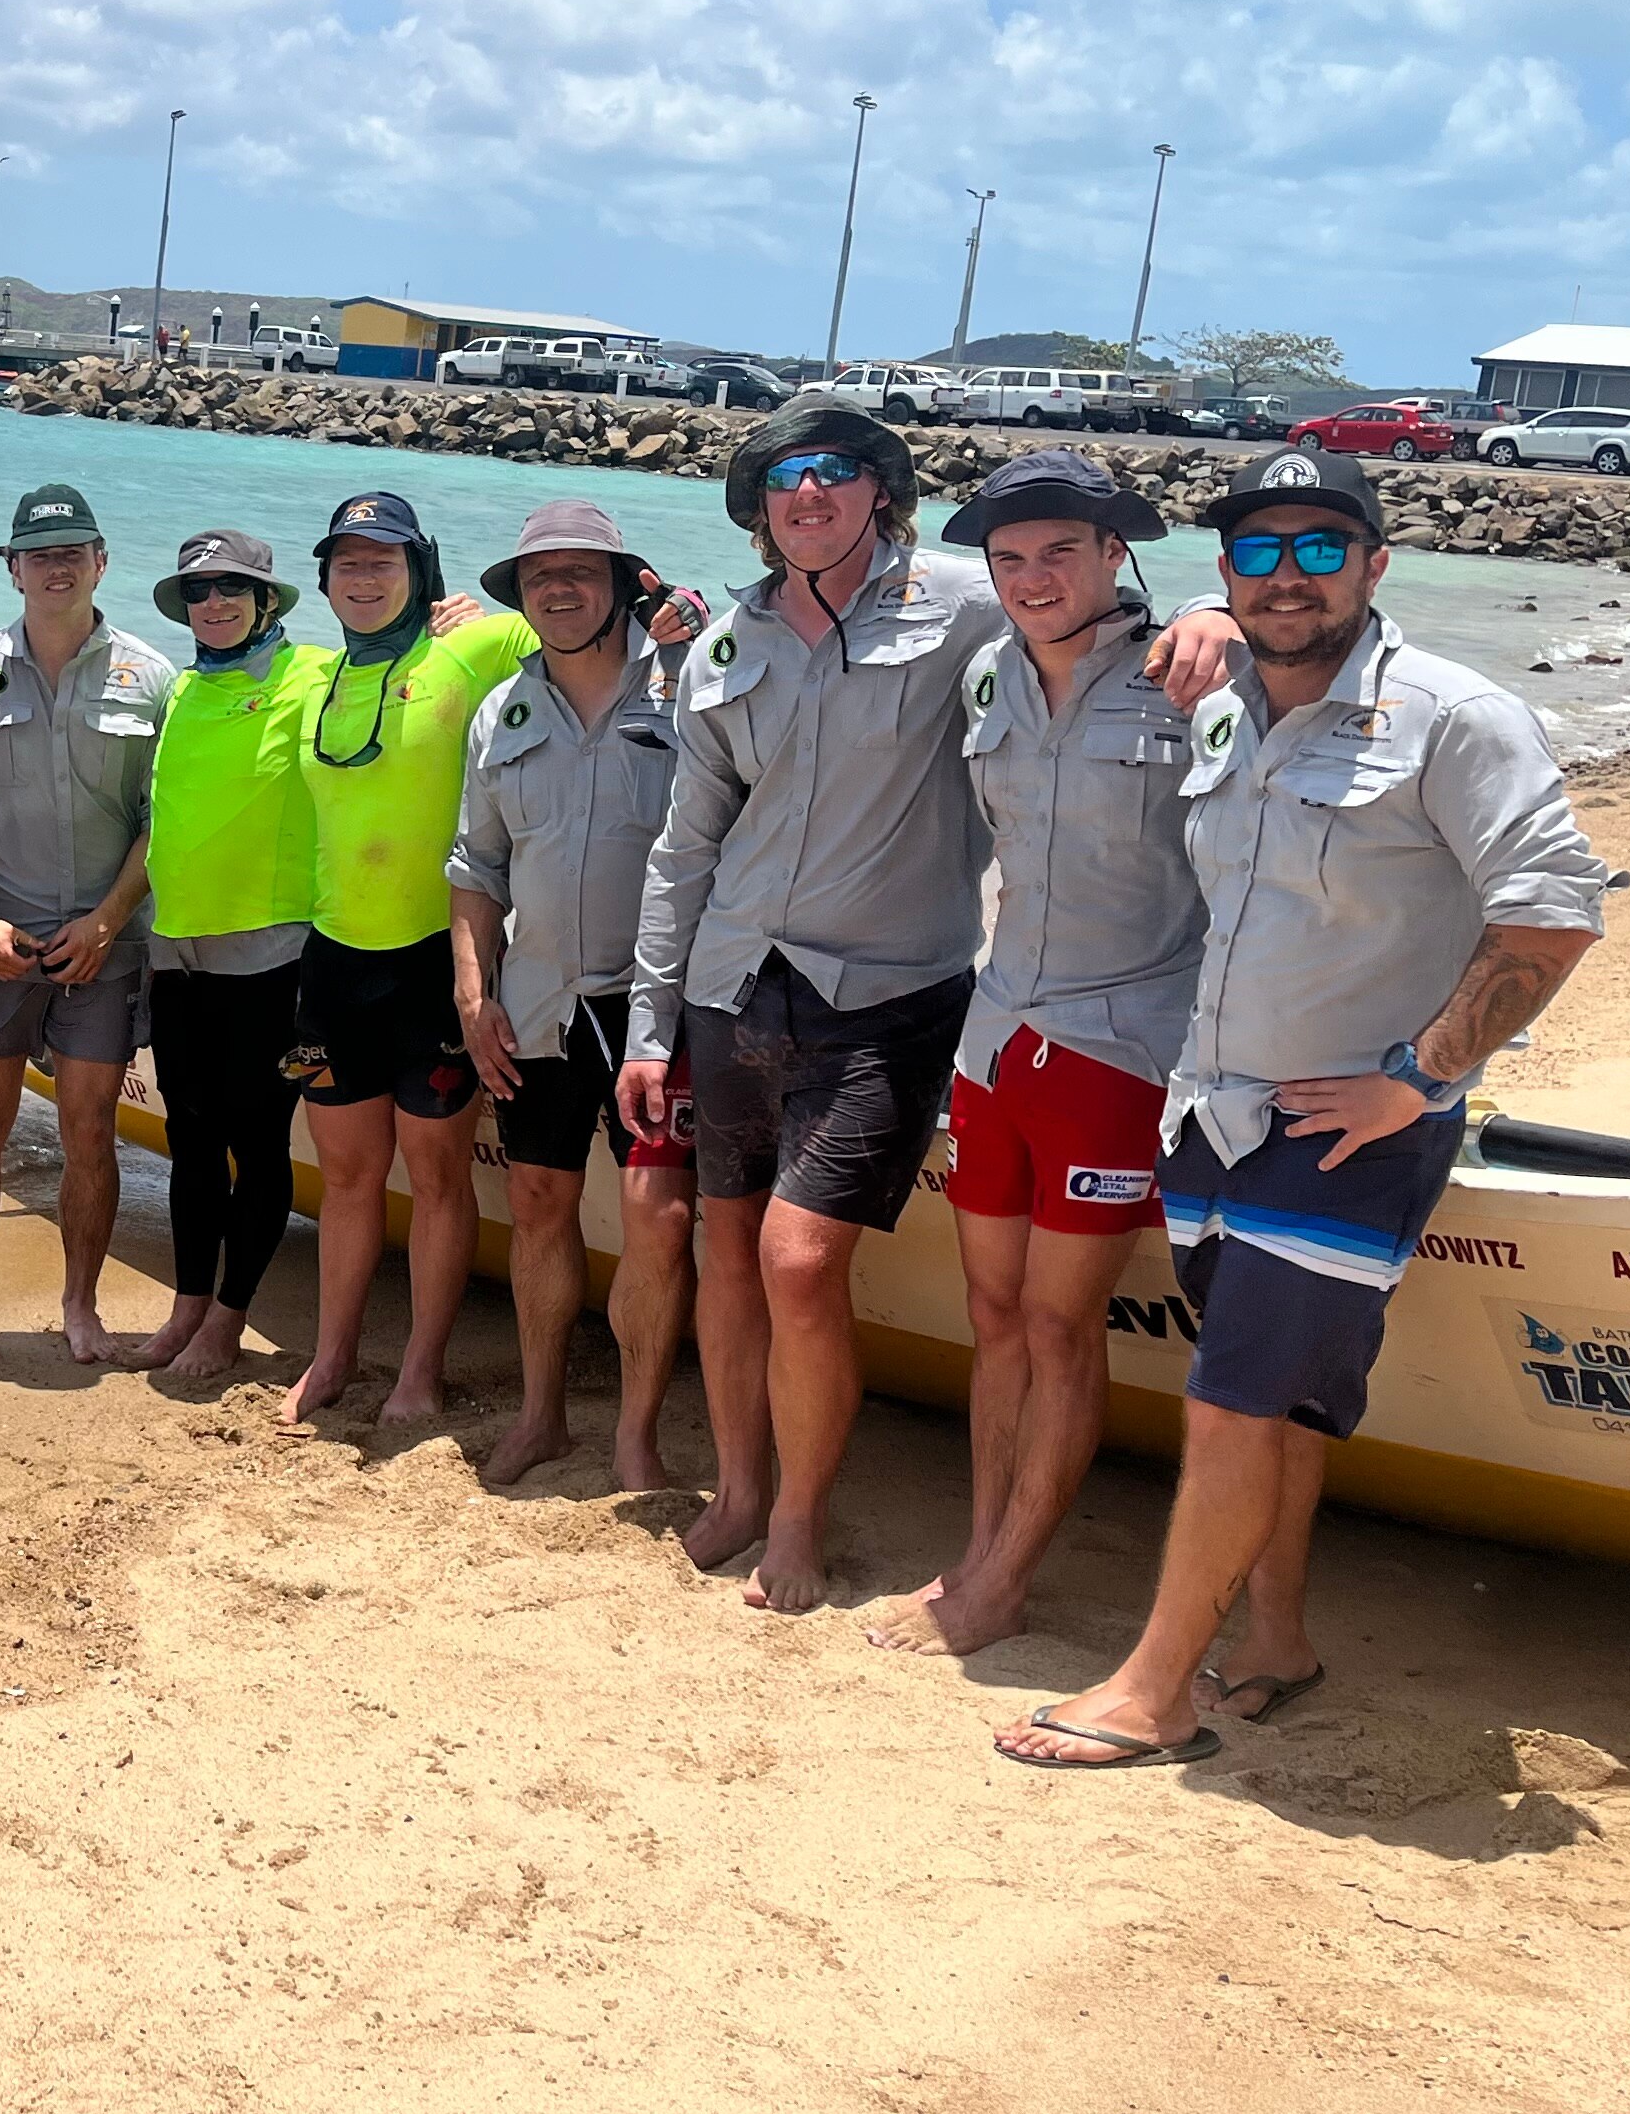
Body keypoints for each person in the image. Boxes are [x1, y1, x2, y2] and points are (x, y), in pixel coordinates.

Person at [1002, 447, 1603, 1768]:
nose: (1289, 576)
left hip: (1346, 1134)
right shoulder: (1222, 708)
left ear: (1375, 565)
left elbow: (1553, 911)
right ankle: (1275, 1639)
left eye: (1320, 548)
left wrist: (1421, 1078)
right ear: (1224, 573)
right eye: (1259, 552)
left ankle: (1155, 1693)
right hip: (1214, 1113)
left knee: (1228, 1401)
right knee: (1275, 1400)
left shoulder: (1454, 716)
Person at [621, 400, 1237, 1612]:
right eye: (783, 477)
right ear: (758, 509)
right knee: (727, 1252)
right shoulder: (725, 647)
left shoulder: (967, 604)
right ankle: (740, 1489)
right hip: (732, 984)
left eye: (836, 471)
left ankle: (799, 1519)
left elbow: (1094, 619)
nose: (808, 493)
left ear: (882, 493)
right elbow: (686, 846)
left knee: (799, 1261)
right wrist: (650, 1024)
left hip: (891, 995)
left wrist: (1208, 611)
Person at [870, 450, 1205, 1658]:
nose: (1033, 578)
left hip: (1120, 1049)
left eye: (1061, 550)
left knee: (1062, 1326)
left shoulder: (1191, 680)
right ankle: (979, 1552)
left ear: (1117, 553)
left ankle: (1006, 1582)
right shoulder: (986, 677)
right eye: (1009, 559)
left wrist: (1216, 612)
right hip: (998, 1038)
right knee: (993, 1312)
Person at [447, 502, 703, 1491]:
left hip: (656, 1009)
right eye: (538, 575)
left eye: (581, 572)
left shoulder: (687, 683)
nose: (558, 589)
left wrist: (695, 619)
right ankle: (542, 1415)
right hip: (538, 1003)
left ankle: (637, 1434)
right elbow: (477, 868)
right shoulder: (501, 714)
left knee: (658, 1217)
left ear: (624, 585)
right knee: (537, 1202)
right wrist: (473, 996)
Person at [285, 488, 541, 1427]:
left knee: (437, 1178)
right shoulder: (312, 679)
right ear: (324, 581)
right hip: (327, 968)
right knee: (346, 1176)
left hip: (435, 964)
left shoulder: (470, 648)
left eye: (383, 562)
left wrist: (487, 608)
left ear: (420, 571)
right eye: (347, 564)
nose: (363, 578)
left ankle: (420, 1371)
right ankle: (332, 1358)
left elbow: (592, 617)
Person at [0, 482, 177, 1366]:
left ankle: (81, 1306)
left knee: (90, 1132)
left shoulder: (153, 677)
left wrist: (107, 923)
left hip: (103, 950)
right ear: (13, 568)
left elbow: (160, 818)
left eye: (73, 552)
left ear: (101, 562)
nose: (57, 567)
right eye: (39, 554)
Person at [133, 528, 335, 1380]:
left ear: (266, 601)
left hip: (275, 964)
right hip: (177, 955)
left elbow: (416, 674)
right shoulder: (179, 691)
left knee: (258, 1144)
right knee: (189, 1137)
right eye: (198, 592)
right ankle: (187, 1304)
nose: (212, 603)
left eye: (230, 589)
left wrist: (448, 620)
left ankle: (229, 1318)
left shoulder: (314, 673)